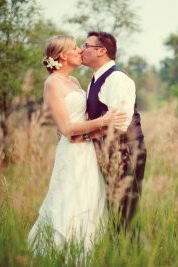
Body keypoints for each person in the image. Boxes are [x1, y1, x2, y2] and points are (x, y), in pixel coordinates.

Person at [27, 35, 127, 253]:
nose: (80, 51)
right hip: (71, 152)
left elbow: (80, 118)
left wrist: (100, 130)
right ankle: (58, 251)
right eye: (75, 48)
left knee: (88, 200)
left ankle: (84, 250)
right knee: (69, 200)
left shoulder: (74, 82)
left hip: (88, 149)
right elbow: (66, 128)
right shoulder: (52, 83)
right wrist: (103, 121)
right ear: (63, 55)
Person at [77, 31, 147, 232]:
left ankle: (130, 257)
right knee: (112, 211)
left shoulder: (117, 79)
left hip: (126, 152)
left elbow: (119, 124)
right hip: (108, 153)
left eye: (86, 45)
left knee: (126, 214)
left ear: (101, 51)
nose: (82, 49)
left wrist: (84, 136)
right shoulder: (95, 79)